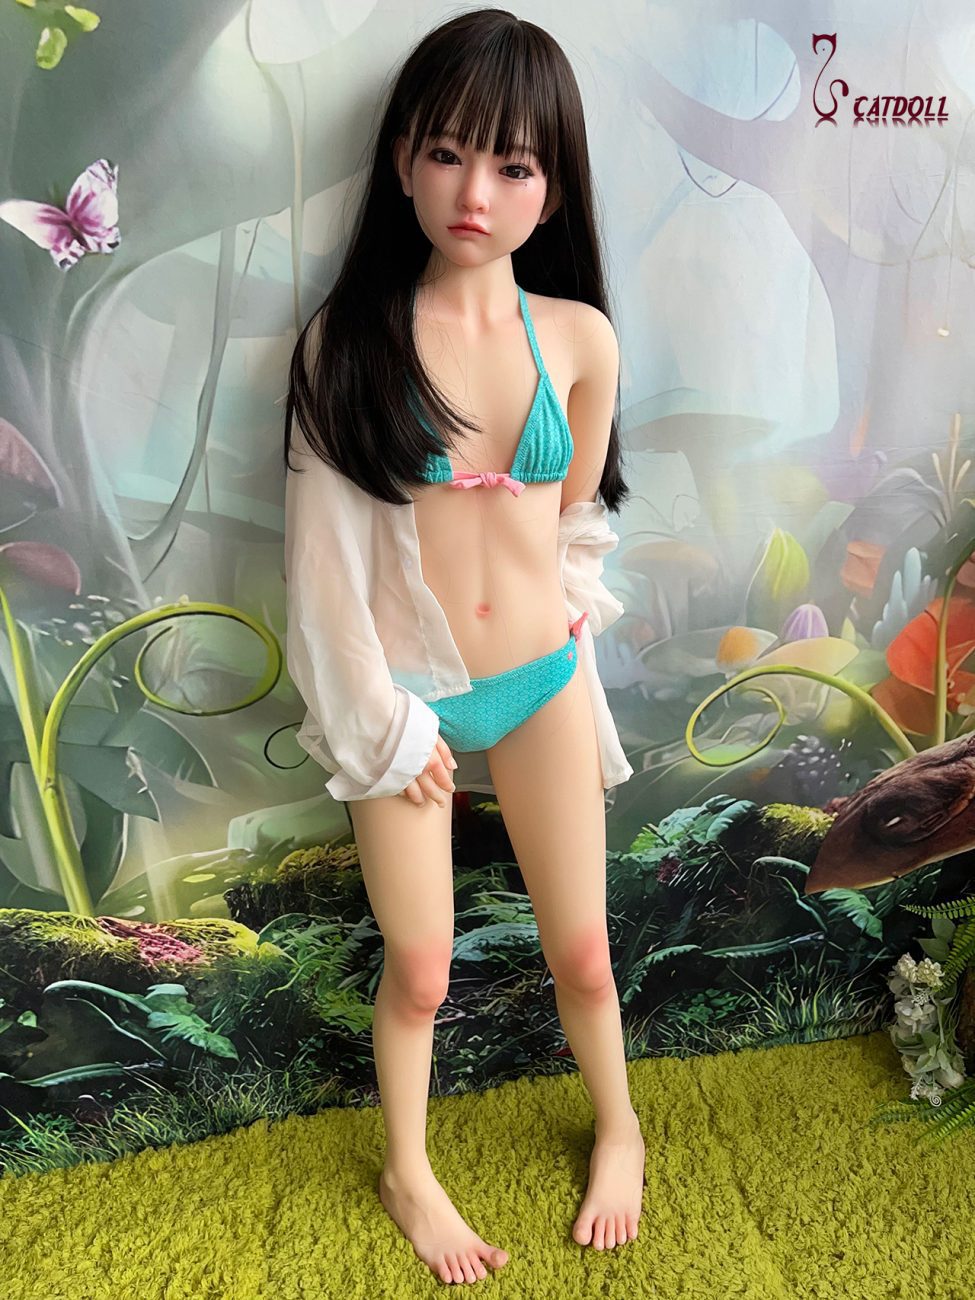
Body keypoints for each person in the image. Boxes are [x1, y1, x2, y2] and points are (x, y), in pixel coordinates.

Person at [283, 8, 644, 1286]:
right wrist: (385, 726)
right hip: (412, 705)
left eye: (513, 164)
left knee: (584, 952)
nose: (475, 193)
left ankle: (621, 1124)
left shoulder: (580, 338)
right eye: (445, 153)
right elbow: (321, 581)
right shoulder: (350, 344)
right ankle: (407, 1166)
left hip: (543, 677)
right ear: (400, 162)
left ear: (556, 186)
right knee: (424, 968)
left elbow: (577, 519)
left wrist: (563, 622)